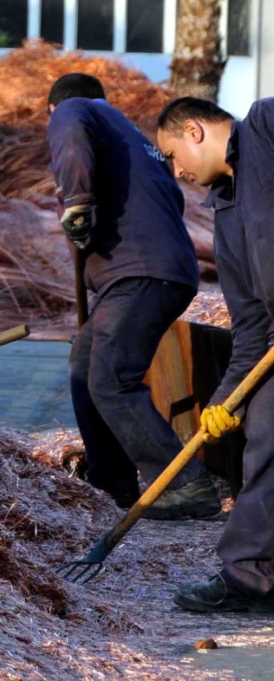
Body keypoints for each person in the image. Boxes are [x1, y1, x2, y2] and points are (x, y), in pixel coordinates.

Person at [47, 73, 218, 519]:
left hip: (141, 275)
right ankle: (112, 482)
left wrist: (77, 200)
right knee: (87, 368)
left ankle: (184, 484)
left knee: (111, 378)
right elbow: (169, 204)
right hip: (156, 272)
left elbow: (69, 128)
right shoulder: (134, 139)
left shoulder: (75, 110)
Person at [157, 96, 274, 612]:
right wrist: (225, 399)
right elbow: (251, 324)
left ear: (194, 130)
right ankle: (252, 577)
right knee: (266, 432)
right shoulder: (226, 214)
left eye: (173, 154)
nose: (178, 171)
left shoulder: (266, 127)